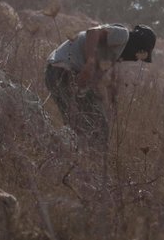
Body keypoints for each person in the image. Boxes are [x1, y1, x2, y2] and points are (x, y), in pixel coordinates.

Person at [45, 23, 156, 153]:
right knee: (89, 125)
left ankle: (71, 155)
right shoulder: (123, 35)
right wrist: (90, 61)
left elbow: (90, 81)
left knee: (87, 124)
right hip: (61, 71)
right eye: (140, 53)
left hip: (58, 74)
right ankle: (70, 153)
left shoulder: (112, 54)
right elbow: (93, 32)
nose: (136, 59)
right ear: (137, 44)